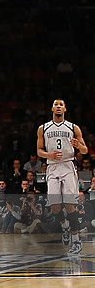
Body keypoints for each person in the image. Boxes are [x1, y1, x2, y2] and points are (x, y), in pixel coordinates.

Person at [37, 99, 88, 255]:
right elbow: (39, 151)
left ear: (65, 109)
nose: (58, 107)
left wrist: (79, 146)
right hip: (52, 166)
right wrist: (49, 154)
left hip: (67, 165)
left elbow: (85, 151)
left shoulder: (73, 127)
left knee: (69, 205)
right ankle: (65, 226)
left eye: (61, 105)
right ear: (52, 108)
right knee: (55, 207)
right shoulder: (43, 128)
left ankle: (76, 241)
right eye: (56, 104)